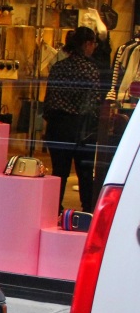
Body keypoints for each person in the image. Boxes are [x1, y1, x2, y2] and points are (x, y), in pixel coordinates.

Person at [44, 26, 104, 212]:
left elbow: (48, 100)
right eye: (93, 43)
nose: (94, 47)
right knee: (85, 174)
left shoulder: (58, 67)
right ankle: (87, 211)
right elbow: (93, 104)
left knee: (58, 173)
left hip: (58, 126)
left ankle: (53, 210)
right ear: (87, 44)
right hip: (80, 128)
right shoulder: (90, 69)